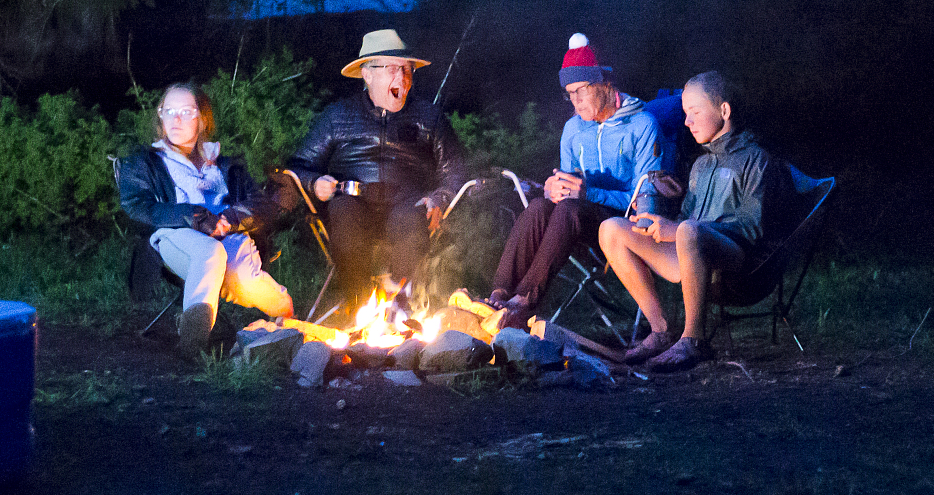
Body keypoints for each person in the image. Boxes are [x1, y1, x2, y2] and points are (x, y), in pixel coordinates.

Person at [596, 70, 791, 372]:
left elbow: (752, 228)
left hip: (740, 264)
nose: (686, 122)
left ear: (724, 111)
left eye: (695, 112)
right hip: (694, 253)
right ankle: (661, 330)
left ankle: (693, 340)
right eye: (685, 113)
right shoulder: (700, 165)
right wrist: (660, 223)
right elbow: (686, 221)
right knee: (613, 229)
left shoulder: (757, 160)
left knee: (688, 231)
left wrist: (685, 230)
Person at [486, 34, 675, 329]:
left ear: (606, 85)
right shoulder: (573, 129)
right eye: (569, 93)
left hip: (621, 225)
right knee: (538, 206)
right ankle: (497, 295)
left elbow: (646, 202)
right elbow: (567, 190)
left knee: (570, 210)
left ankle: (523, 302)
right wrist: (553, 190)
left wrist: (588, 193)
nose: (575, 101)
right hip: (577, 230)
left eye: (582, 90)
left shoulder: (641, 125)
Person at [284, 28, 469, 321]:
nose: (404, 78)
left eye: (408, 70)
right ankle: (358, 305)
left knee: (412, 214)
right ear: (367, 74)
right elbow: (296, 167)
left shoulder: (428, 117)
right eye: (393, 69)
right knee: (343, 210)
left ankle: (398, 306)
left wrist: (440, 198)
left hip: (407, 206)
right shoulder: (338, 116)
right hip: (353, 203)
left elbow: (457, 171)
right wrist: (313, 182)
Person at [117, 83, 294, 354]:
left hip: (229, 234)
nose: (176, 119)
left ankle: (290, 320)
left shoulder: (225, 164)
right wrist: (192, 216)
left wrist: (229, 219)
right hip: (177, 234)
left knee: (251, 283)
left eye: (186, 111)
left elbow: (261, 204)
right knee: (209, 253)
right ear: (160, 116)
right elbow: (136, 208)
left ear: (202, 119)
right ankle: (192, 344)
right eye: (169, 111)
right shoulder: (144, 162)